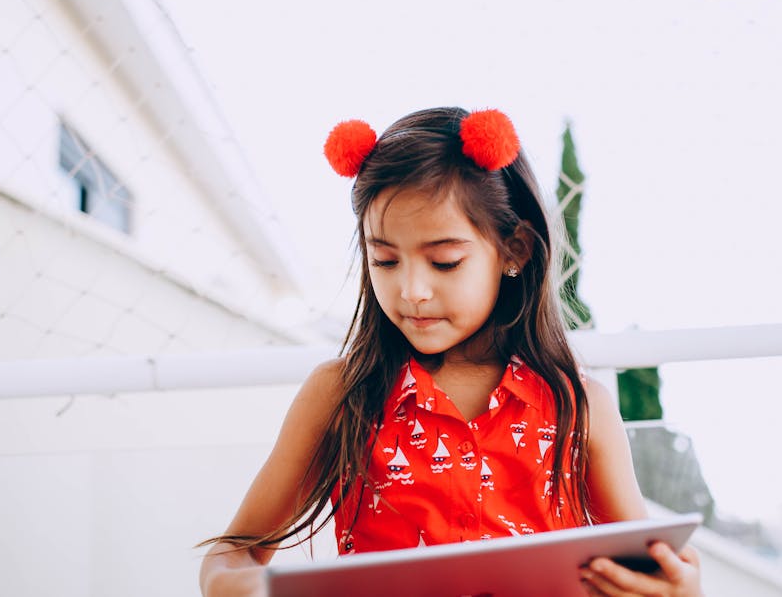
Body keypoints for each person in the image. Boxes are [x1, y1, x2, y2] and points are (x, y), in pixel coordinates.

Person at [198, 107, 703, 597]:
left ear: (515, 250)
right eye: (385, 260)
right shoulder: (340, 394)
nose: (412, 290)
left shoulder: (580, 406)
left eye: (444, 262)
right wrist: (244, 586)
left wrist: (677, 588)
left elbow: (646, 565)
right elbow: (234, 553)